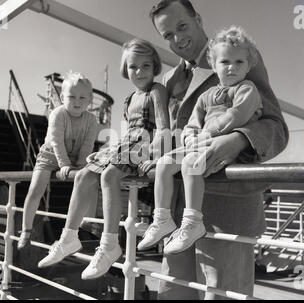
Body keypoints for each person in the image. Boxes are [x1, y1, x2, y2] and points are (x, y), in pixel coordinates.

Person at [147, 0, 289, 300]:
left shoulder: (236, 56)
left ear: (198, 19)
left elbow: (276, 126)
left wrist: (238, 139)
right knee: (172, 297)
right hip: (178, 214)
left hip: (227, 210)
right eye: (167, 35)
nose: (177, 38)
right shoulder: (170, 79)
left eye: (182, 26)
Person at [38, 38, 171, 280]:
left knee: (110, 175)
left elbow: (163, 127)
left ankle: (110, 243)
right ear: (126, 69)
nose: (139, 72)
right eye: (133, 67)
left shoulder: (156, 90)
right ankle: (69, 237)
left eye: (146, 66)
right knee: (84, 176)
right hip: (126, 142)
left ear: (154, 67)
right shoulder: (130, 98)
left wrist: (155, 154)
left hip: (144, 142)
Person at [138, 25, 264, 254]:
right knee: (166, 163)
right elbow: (193, 122)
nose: (232, 68)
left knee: (190, 164)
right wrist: (190, 137)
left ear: (248, 66)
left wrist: (207, 134)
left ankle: (193, 221)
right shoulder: (207, 96)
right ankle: (162, 218)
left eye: (239, 63)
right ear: (214, 66)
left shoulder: (247, 89)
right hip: (200, 143)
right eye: (225, 62)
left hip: (223, 145)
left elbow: (237, 115)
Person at [17, 71, 98, 250]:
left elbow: (87, 145)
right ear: (62, 97)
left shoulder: (92, 120)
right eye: (71, 96)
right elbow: (56, 141)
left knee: (91, 180)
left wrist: (80, 166)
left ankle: (86, 225)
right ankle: (26, 230)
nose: (77, 101)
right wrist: (64, 165)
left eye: (82, 97)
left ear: (90, 100)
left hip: (76, 157)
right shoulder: (58, 114)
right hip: (51, 155)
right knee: (35, 189)